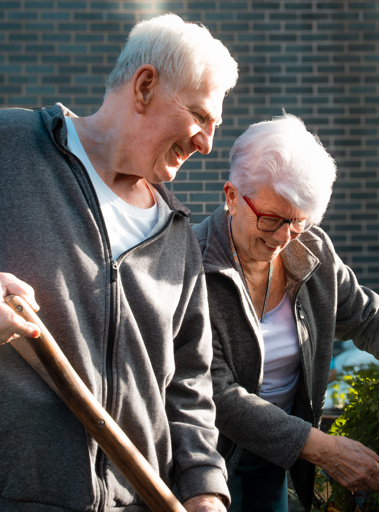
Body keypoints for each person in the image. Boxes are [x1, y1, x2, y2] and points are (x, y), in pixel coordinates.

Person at [0, 13, 238, 512]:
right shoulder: (12, 146)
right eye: (199, 116)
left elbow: (190, 384)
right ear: (146, 86)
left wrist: (204, 488)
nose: (206, 142)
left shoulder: (175, 235)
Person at [192, 113, 379, 512]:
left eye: (297, 222)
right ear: (231, 195)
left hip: (277, 454)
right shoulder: (190, 264)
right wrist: (322, 448)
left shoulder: (312, 249)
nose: (283, 238)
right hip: (204, 460)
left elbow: (368, 317)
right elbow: (215, 392)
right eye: (270, 219)